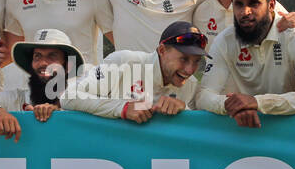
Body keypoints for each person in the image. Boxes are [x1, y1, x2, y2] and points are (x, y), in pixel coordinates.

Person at [197, 0, 295, 127]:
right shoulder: (224, 40)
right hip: (248, 128)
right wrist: (232, 106)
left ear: (271, 5)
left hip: (294, 129)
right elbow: (204, 96)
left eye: (254, 4)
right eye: (239, 4)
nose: (245, 12)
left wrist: (257, 102)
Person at [0, 28, 85, 141]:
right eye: (37, 56)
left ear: (67, 65)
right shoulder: (16, 99)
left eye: (52, 56)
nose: (43, 63)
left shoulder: (81, 99)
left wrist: (58, 112)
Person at [68, 21, 207, 121]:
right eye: (183, 59)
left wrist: (184, 112)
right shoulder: (124, 61)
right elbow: (69, 97)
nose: (190, 70)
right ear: (162, 50)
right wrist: (122, 108)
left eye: (196, 61)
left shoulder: (192, 84)